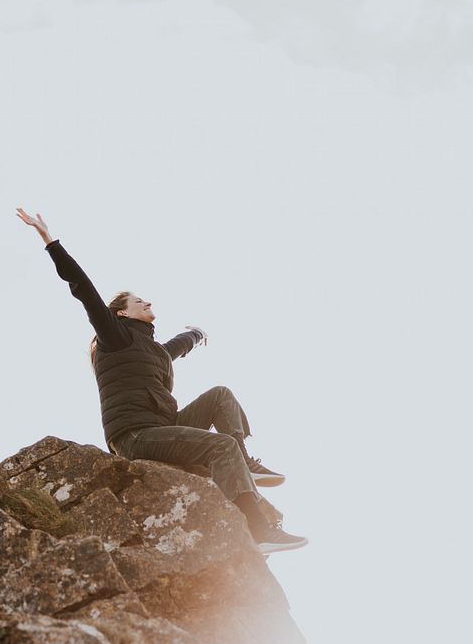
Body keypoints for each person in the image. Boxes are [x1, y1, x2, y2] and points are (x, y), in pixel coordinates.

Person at [16, 207, 307, 554]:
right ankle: (257, 532)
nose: (148, 302)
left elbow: (177, 347)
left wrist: (198, 334)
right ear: (123, 312)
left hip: (162, 425)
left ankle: (243, 459)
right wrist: (50, 241)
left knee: (221, 395)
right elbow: (85, 290)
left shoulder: (152, 349)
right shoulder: (115, 335)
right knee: (220, 446)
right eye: (140, 301)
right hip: (136, 435)